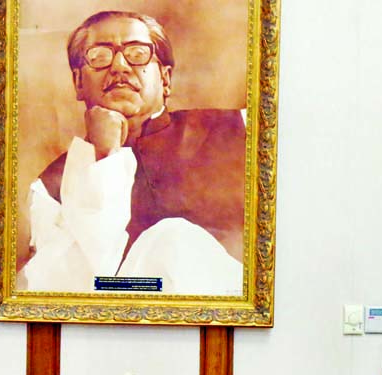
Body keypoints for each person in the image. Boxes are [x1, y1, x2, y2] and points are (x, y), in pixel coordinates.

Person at [18, 10, 246, 295]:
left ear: (165, 79)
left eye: (137, 53)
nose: (120, 67)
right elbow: (70, 287)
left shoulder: (241, 130)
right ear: (78, 82)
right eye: (99, 56)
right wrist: (104, 155)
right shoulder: (50, 188)